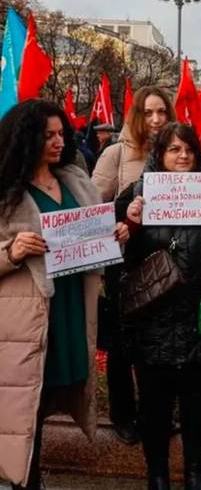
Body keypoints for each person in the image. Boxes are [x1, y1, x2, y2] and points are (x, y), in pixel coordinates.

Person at [0, 100, 129, 490]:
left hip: (70, 309)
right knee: (23, 410)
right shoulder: (5, 189)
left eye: (61, 134)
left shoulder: (75, 177)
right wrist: (11, 252)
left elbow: (90, 231)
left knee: (49, 395)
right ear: (26, 139)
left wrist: (114, 235)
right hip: (23, 319)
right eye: (48, 135)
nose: (59, 142)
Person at [118, 123, 201, 490]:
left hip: (197, 317)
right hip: (152, 321)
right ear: (159, 155)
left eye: (188, 149)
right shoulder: (138, 195)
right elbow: (120, 258)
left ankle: (195, 472)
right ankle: (157, 474)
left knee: (197, 405)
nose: (183, 156)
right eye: (173, 149)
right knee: (154, 407)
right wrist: (131, 226)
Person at [92, 86, 177, 445]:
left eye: (162, 112)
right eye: (148, 113)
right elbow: (93, 206)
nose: (156, 120)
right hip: (124, 259)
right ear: (136, 116)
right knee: (122, 344)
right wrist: (123, 216)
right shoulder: (115, 154)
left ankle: (155, 413)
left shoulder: (178, 149)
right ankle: (123, 415)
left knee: (159, 343)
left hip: (166, 262)